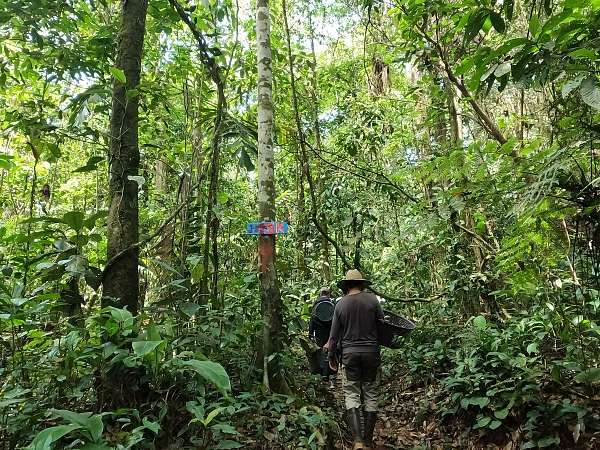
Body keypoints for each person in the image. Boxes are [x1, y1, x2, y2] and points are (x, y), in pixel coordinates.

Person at [324, 269, 384, 450]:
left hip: (349, 355)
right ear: (361, 284)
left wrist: (331, 357)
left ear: (346, 286)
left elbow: (333, 336)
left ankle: (357, 441)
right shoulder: (373, 300)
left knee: (352, 394)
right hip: (371, 354)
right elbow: (382, 326)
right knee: (370, 393)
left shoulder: (340, 305)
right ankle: (367, 440)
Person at [308, 287, 336, 386]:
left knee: (322, 354)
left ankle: (324, 376)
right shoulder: (332, 305)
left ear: (320, 294)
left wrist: (310, 335)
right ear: (329, 294)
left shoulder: (315, 306)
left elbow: (312, 322)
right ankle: (332, 376)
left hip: (319, 334)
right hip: (331, 334)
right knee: (332, 354)